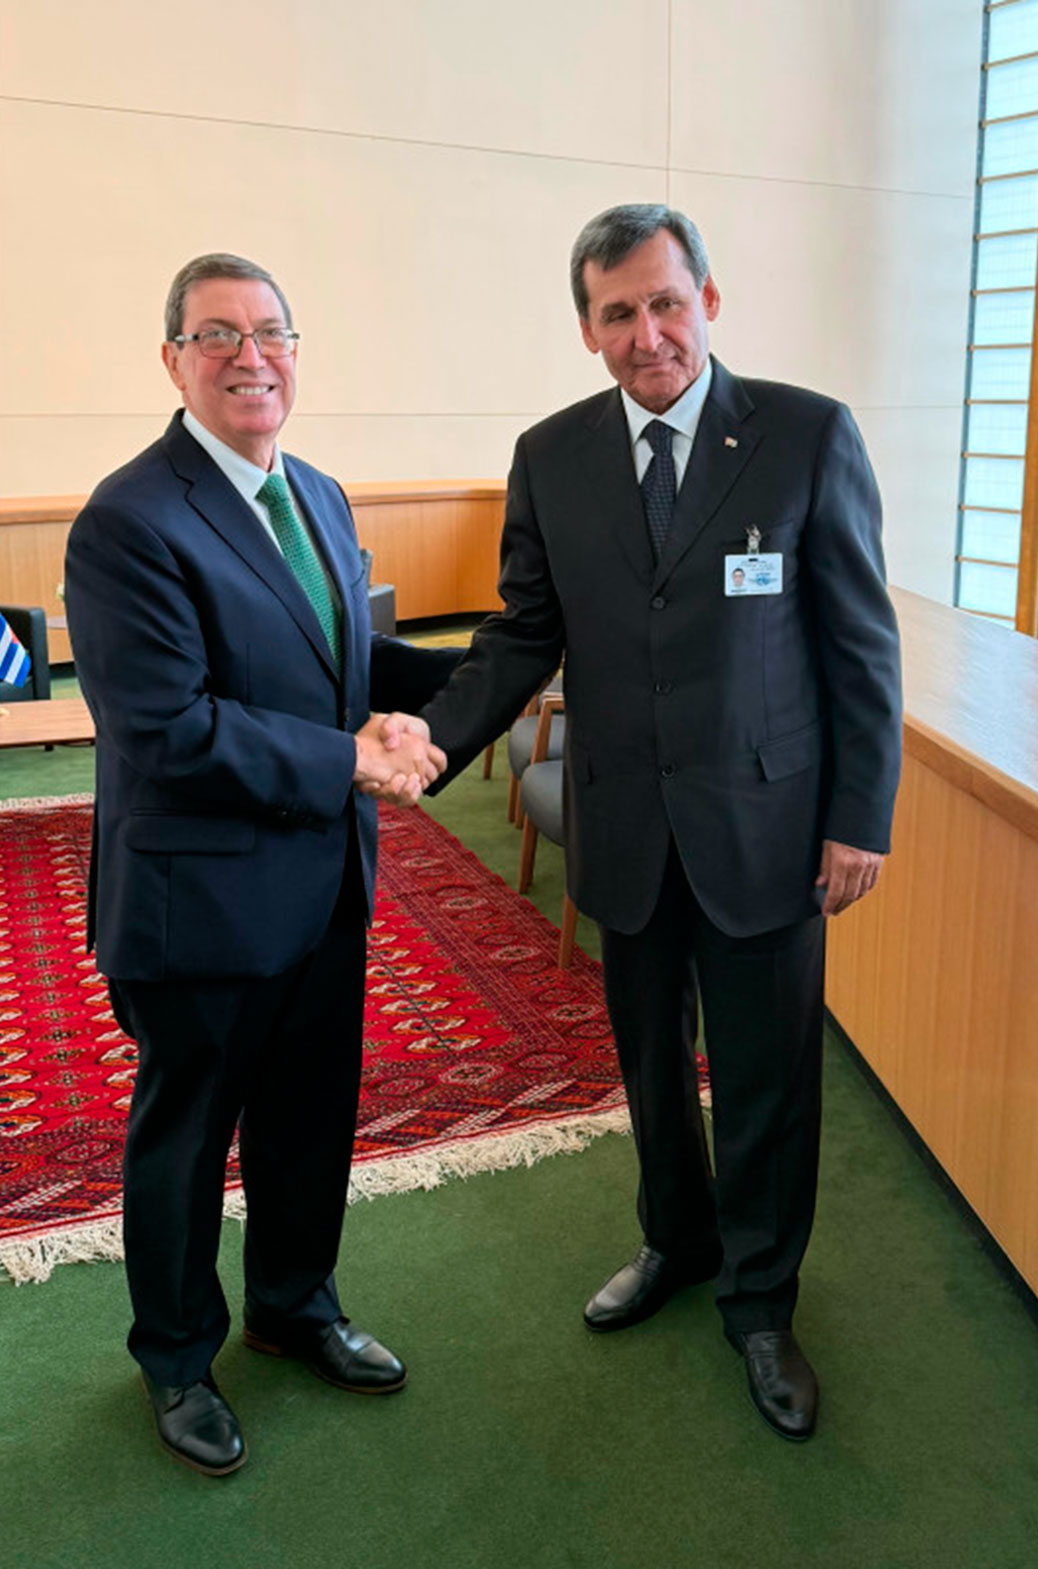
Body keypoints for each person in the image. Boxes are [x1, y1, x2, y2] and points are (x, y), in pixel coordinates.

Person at [421, 204, 902, 1441]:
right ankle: (675, 1243)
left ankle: (760, 1300)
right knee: (647, 1068)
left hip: (771, 830)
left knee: (766, 1083)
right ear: (586, 328)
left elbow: (858, 647)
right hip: (625, 826)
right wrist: (431, 742)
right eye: (619, 312)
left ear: (710, 301)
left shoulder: (803, 436)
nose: (649, 335)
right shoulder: (552, 454)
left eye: (667, 303)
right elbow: (524, 631)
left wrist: (861, 817)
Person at [64, 253, 457, 1476]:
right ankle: (178, 1358)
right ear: (172, 359)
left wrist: (475, 683)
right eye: (218, 334)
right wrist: (348, 758)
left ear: (298, 350)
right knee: (186, 1138)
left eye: (272, 332)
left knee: (308, 1116)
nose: (252, 356)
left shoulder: (322, 495)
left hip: (325, 881)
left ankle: (295, 1306)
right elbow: (169, 732)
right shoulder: (129, 521)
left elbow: (348, 659)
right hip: (199, 898)